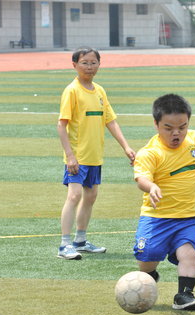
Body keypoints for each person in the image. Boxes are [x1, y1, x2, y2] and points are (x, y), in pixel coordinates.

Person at [132, 94, 195, 311]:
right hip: (156, 219)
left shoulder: (194, 139)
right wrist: (151, 186)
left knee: (189, 253)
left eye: (182, 127)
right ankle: (149, 276)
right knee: (148, 259)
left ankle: (184, 295)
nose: (176, 133)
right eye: (168, 128)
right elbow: (141, 178)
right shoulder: (150, 153)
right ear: (156, 124)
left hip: (186, 218)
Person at [57, 46, 136, 260]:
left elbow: (110, 120)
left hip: (94, 155)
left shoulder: (99, 91)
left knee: (90, 196)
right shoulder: (72, 91)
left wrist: (126, 146)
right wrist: (70, 155)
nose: (89, 67)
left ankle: (80, 240)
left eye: (93, 63)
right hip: (77, 156)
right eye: (85, 63)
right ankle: (64, 245)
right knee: (74, 195)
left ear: (99, 65)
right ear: (74, 65)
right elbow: (61, 125)